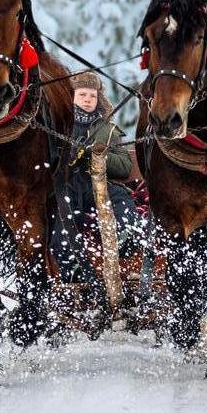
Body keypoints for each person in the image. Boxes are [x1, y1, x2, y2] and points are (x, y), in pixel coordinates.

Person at [50, 72, 140, 299]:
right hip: (68, 188)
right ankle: (73, 274)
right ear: (71, 97)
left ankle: (127, 243)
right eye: (82, 94)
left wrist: (97, 155)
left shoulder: (107, 129)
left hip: (101, 187)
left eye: (92, 95)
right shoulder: (59, 125)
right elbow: (49, 160)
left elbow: (124, 165)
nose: (88, 99)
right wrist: (70, 154)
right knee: (59, 227)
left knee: (123, 202)